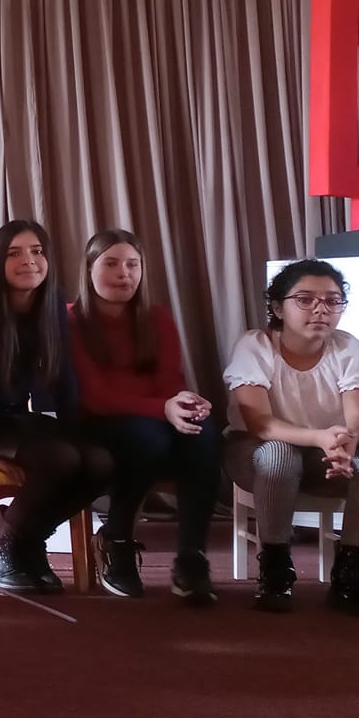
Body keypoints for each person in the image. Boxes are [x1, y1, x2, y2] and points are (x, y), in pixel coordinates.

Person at [222, 259, 359, 615]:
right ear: (277, 308)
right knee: (279, 454)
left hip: (324, 452)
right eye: (305, 299)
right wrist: (320, 437)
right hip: (256, 450)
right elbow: (260, 425)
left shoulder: (349, 349)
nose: (321, 309)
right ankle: (275, 569)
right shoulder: (255, 346)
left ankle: (350, 574)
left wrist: (347, 441)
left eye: (332, 300)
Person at [0, 219, 113, 595]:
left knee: (100, 461)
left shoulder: (51, 298)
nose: (29, 260)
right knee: (60, 459)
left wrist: (76, 431)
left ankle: (29, 539)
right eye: (14, 253)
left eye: (37, 251)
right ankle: (4, 542)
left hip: (16, 418)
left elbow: (63, 373)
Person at [67, 229, 220, 604]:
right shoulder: (70, 320)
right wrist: (163, 409)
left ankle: (191, 558)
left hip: (155, 418)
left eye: (133, 265)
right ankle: (116, 540)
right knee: (148, 439)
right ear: (89, 270)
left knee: (203, 432)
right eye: (112, 264)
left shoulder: (157, 317)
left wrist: (184, 404)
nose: (125, 274)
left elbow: (169, 382)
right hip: (95, 421)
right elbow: (95, 397)